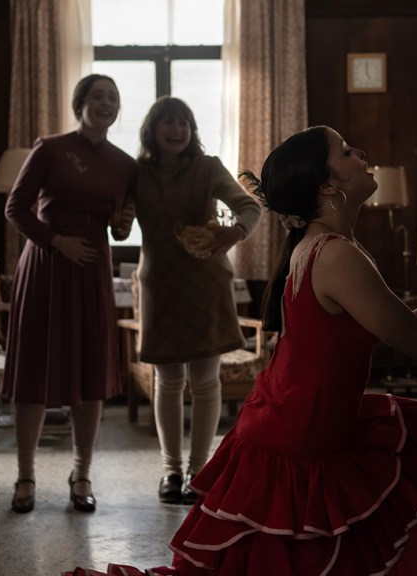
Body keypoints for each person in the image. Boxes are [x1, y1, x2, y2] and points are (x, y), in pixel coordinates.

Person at [65, 125, 417, 575]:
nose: (361, 152)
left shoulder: (329, 245)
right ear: (326, 185)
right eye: (346, 151)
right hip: (296, 436)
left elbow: (406, 324)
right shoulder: (335, 254)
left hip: (295, 423)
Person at [3, 73, 137, 514]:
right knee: (34, 368)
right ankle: (25, 475)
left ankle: (82, 474)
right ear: (80, 104)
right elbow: (15, 208)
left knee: (91, 370)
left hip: (93, 270)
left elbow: (121, 226)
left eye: (113, 97)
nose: (106, 102)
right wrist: (56, 241)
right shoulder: (50, 148)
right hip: (46, 267)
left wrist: (122, 227)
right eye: (97, 95)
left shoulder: (125, 164)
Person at [133, 96, 262, 505]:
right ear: (152, 130)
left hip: (205, 284)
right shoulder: (136, 173)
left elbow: (249, 206)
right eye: (168, 122)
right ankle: (171, 471)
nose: (177, 129)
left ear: (191, 130)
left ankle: (199, 471)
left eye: (184, 123)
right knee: (168, 381)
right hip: (159, 286)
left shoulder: (208, 167)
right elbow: (117, 221)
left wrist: (236, 232)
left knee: (205, 382)